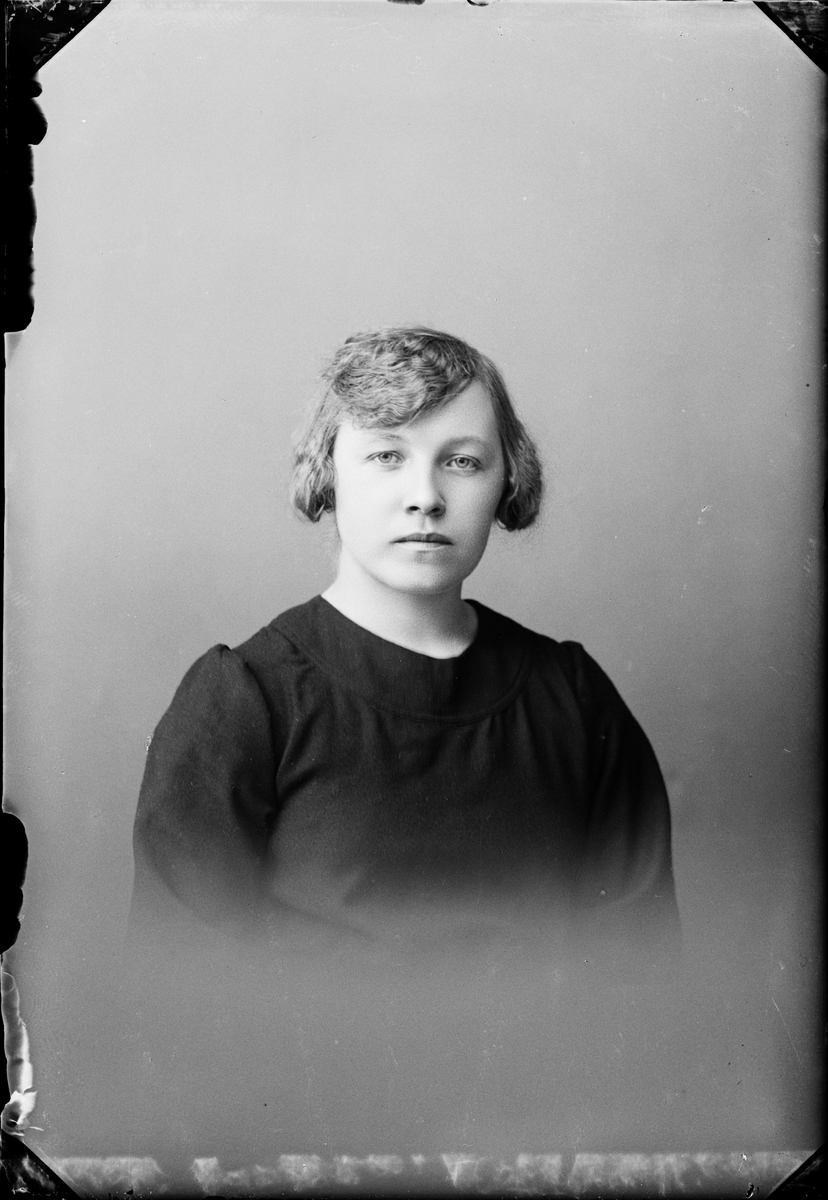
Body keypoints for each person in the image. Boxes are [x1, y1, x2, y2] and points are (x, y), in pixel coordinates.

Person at [128, 326, 680, 973]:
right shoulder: (245, 700)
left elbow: (641, 978)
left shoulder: (576, 701)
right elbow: (181, 990)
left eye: (462, 461)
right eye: (388, 455)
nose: (426, 497)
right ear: (327, 473)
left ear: (507, 480)